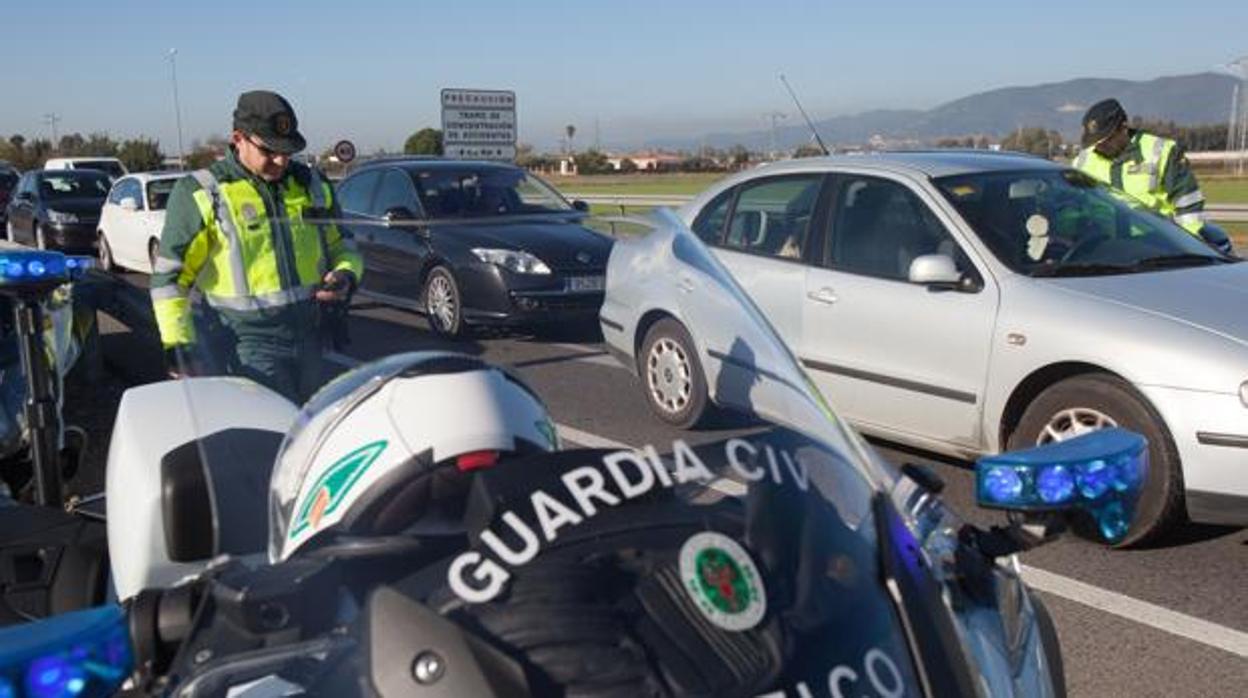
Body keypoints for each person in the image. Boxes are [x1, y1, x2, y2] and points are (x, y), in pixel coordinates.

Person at [150, 90, 362, 403]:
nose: (281, 160)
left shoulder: (311, 185)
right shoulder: (203, 193)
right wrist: (179, 347)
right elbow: (169, 281)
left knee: (317, 436)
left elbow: (344, 246)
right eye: (269, 150)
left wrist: (346, 275)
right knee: (271, 439)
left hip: (313, 339)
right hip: (245, 347)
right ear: (239, 138)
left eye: (287, 151)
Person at [1073, 98, 1208, 237]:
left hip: (1157, 245)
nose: (1099, 146)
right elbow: (1073, 207)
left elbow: (1188, 203)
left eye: (1106, 140)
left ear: (1123, 128)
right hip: (1104, 247)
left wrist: (1189, 243)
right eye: (1095, 142)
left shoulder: (1161, 151)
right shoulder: (1082, 162)